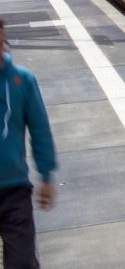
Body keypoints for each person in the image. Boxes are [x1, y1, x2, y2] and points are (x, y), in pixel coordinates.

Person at [0, 18, 57, 269]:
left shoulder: (22, 80)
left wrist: (46, 175)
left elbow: (40, 129)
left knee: (22, 263)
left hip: (14, 190)